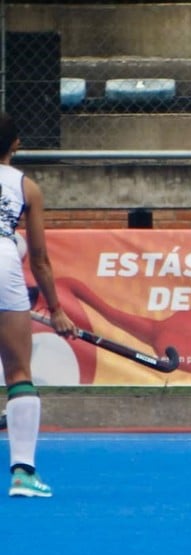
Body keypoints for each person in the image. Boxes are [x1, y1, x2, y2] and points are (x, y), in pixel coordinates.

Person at [0, 113, 76, 497]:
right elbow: (41, 259)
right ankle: (23, 474)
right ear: (15, 145)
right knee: (18, 372)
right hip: (4, 263)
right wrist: (57, 309)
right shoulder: (26, 187)